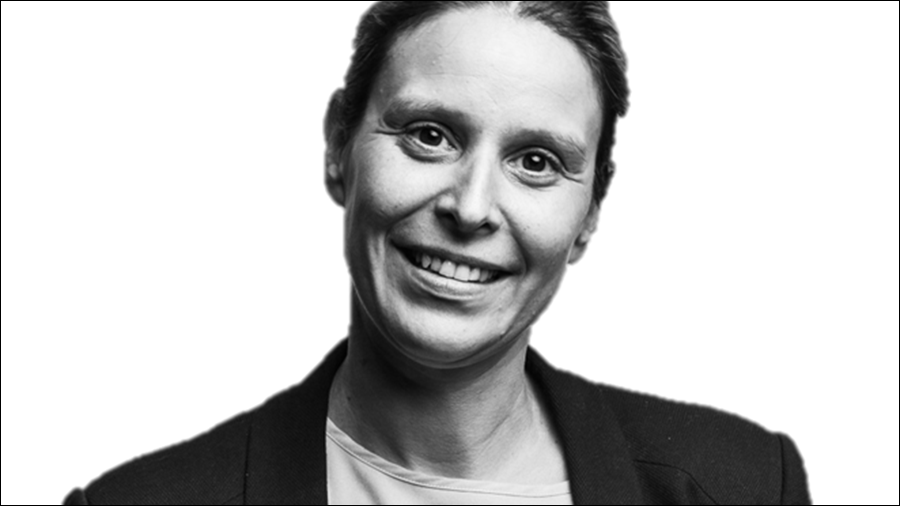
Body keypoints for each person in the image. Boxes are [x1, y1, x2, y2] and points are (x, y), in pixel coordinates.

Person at [64, 1, 811, 504]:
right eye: (430, 135)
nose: (472, 206)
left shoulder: (742, 486)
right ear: (338, 146)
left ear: (591, 212)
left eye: (538, 161)